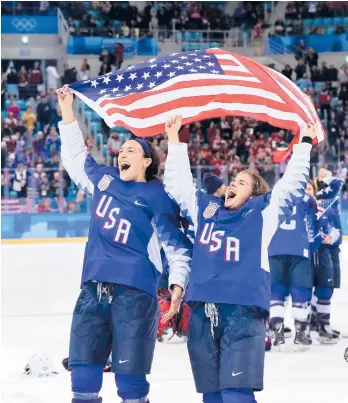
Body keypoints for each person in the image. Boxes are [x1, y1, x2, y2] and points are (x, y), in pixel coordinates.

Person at [164, 115, 316, 403]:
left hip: (242, 313)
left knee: (236, 394)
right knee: (211, 395)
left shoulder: (263, 213)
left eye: (242, 182)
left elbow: (291, 184)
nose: (233, 184)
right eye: (233, 180)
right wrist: (175, 142)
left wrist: (304, 144)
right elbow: (178, 186)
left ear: (255, 193)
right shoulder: (206, 210)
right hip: (201, 312)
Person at [56, 86, 192, 403]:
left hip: (135, 296)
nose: (122, 153)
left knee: (130, 383)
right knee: (83, 377)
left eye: (131, 150)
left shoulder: (158, 196)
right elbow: (75, 157)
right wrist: (67, 111)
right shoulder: (104, 180)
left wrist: (177, 287)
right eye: (122, 150)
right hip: (93, 289)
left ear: (146, 162)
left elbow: (179, 249)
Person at [268, 190, 318, 350]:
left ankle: (277, 333)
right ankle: (301, 336)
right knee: (300, 292)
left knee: (275, 293)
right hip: (299, 249)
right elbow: (312, 227)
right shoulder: (307, 199)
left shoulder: (271, 195)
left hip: (274, 249)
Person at [309, 170, 344, 343]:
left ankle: (317, 322)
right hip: (324, 248)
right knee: (323, 286)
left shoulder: (329, 199)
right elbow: (338, 182)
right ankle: (317, 323)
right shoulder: (321, 199)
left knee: (327, 286)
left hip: (333, 246)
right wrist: (325, 177)